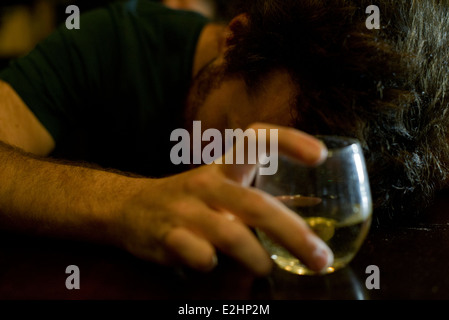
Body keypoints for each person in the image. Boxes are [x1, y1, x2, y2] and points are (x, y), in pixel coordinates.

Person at [0, 0, 447, 276]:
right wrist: (128, 203)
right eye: (238, 142)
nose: (246, 193)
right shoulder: (110, 43)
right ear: (235, 42)